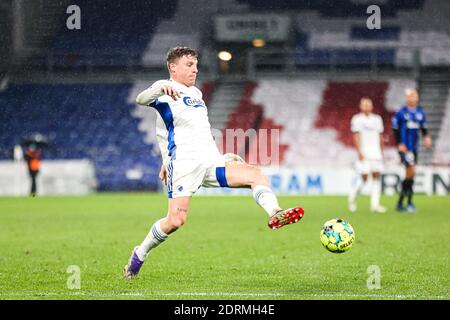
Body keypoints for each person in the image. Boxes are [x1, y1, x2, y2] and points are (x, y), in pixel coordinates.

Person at [123, 47, 305, 278]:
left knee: (255, 175)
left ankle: (275, 212)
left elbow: (197, 131)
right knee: (176, 220)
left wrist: (222, 157)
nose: (195, 69)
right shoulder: (163, 90)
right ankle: (140, 253)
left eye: (196, 65)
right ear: (173, 67)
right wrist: (159, 88)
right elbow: (141, 100)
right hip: (184, 165)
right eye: (189, 65)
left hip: (209, 161)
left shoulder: (197, 94)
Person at [392, 89, 432, 213]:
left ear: (417, 98)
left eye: (415, 96)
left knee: (411, 174)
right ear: (406, 98)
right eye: (410, 96)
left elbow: (424, 128)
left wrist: (427, 138)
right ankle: (407, 203)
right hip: (405, 148)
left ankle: (402, 203)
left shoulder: (420, 112)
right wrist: (399, 144)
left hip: (414, 148)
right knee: (411, 172)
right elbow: (395, 129)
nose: (413, 98)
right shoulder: (401, 112)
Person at [348, 97, 387, 213]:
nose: (366, 107)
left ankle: (375, 205)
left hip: (376, 153)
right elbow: (356, 136)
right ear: (360, 107)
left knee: (376, 176)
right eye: (364, 105)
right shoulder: (357, 119)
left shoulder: (377, 119)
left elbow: (380, 136)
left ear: (372, 106)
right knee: (364, 178)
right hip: (364, 152)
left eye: (368, 105)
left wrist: (381, 151)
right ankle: (352, 198)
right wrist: (359, 151)